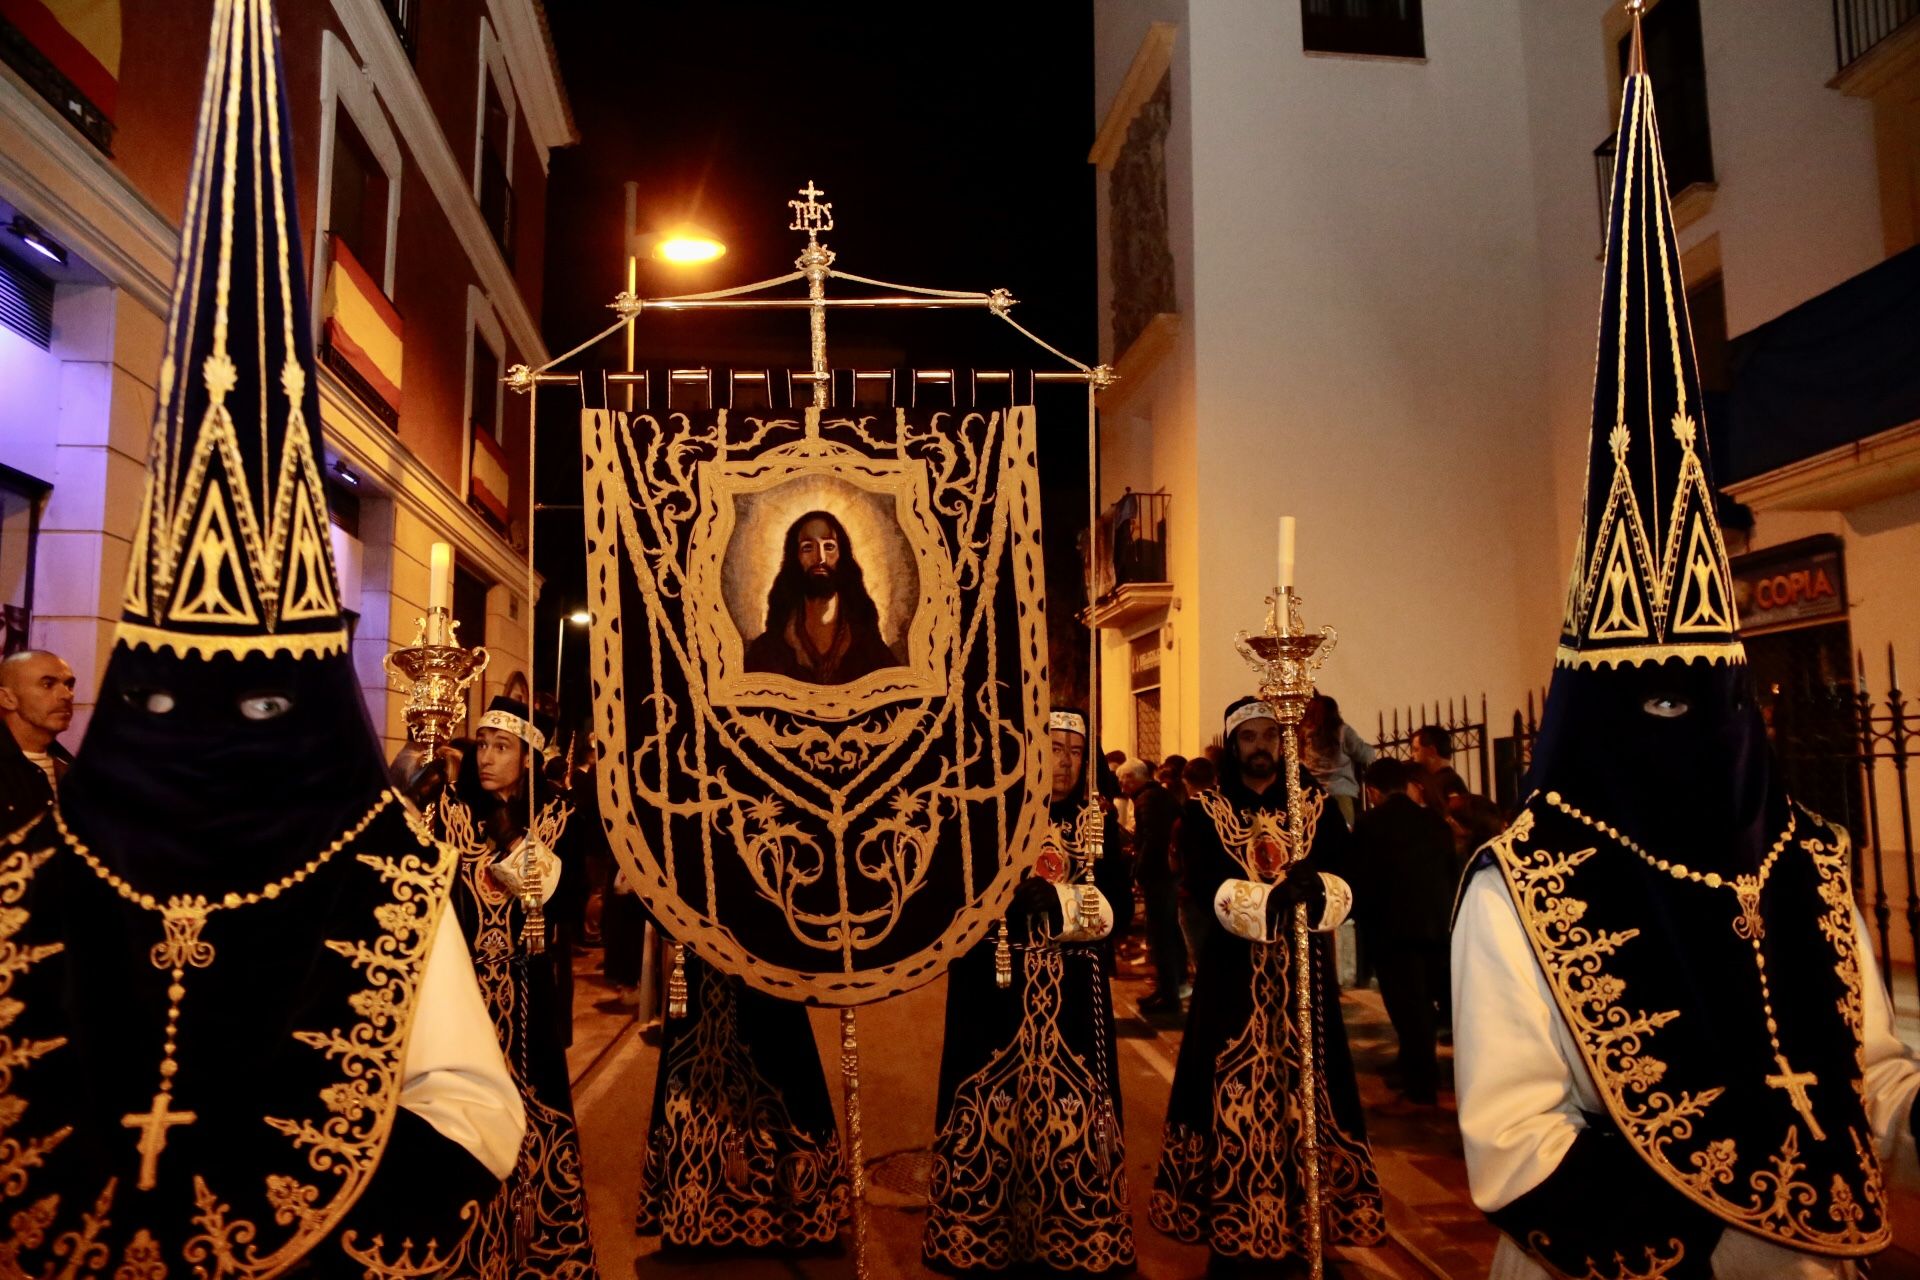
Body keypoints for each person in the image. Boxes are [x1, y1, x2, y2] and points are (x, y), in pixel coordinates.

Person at [0, 2, 526, 1269]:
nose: (208, 746)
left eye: (253, 711)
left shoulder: (389, 883)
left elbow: (467, 1108)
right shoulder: (36, 873)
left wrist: (312, 1235)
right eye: (172, 706)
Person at [1452, 38, 1920, 1279]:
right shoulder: (1524, 885)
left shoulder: (1812, 861)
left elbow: (1863, 1067)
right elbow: (1516, 1144)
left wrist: (1910, 1117)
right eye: (1647, 696)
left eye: (1701, 689)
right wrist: (1718, 1243)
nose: (1681, 717)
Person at [1150, 697, 1383, 1274]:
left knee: (1309, 1093)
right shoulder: (1206, 811)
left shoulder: (1315, 806)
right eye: (1249, 737)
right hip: (1232, 981)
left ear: (1284, 743)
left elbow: (1350, 874)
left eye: (1270, 737)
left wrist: (1318, 884)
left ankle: (1310, 1226)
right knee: (1229, 1097)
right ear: (1233, 744)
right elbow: (1202, 880)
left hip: (1305, 980)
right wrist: (1263, 898)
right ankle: (1232, 1229)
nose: (1261, 747)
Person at [925, 707, 1134, 1274]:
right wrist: (1005, 899)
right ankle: (980, 1232)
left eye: (1073, 750)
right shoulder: (991, 811)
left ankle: (1074, 1231)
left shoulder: (1097, 821)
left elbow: (1116, 902)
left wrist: (1063, 903)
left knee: (1072, 1108)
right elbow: (954, 890)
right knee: (994, 1103)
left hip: (1071, 994)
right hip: (995, 990)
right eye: (1052, 748)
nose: (1062, 762)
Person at [436, 695, 599, 1278]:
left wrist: (518, 850)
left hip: (530, 989)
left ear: (527, 757)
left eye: (501, 747)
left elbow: (564, 895)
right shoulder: (448, 810)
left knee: (541, 1107)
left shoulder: (557, 813)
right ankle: (471, 1252)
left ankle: (548, 1245)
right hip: (465, 995)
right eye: (482, 744)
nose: (487, 757)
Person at [1349, 757, 1454, 1107]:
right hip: (1436, 925)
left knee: (1408, 1008)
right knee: (1424, 1003)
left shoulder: (1369, 824)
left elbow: (1361, 879)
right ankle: (1414, 1069)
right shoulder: (1434, 822)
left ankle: (1422, 1084)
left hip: (1393, 929)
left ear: (1372, 790)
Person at [744, 510, 900, 684]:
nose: (820, 558)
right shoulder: (769, 650)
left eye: (829, 546)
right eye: (808, 548)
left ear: (843, 557)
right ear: (795, 559)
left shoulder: (869, 648)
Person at [1124, 759, 1188, 1014]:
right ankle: (1167, 989)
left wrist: (1138, 872)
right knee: (1166, 932)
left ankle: (1169, 995)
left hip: (1159, 876)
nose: (1121, 784)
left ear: (1136, 778)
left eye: (1125, 778)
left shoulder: (1147, 799)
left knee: (1161, 934)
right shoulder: (1154, 796)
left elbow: (1151, 839)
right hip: (1165, 874)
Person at [0, 648, 75, 829]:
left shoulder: (70, 767)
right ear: (7, 698)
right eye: (47, 684)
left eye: (69, 685)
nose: (67, 695)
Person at [1302, 694, 1375, 829]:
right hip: (1341, 792)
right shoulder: (1341, 731)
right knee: (1345, 833)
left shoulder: (1305, 736)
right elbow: (1365, 754)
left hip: (1315, 794)